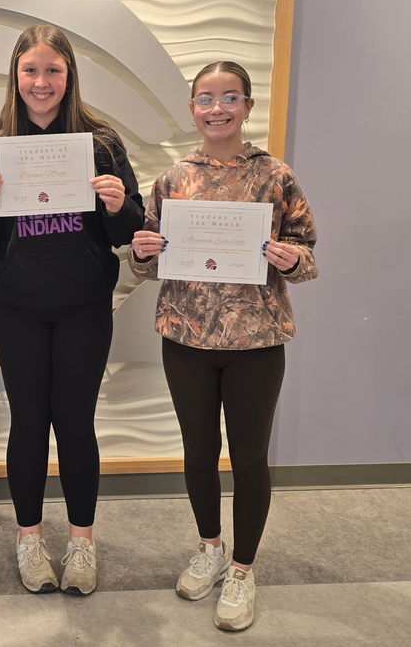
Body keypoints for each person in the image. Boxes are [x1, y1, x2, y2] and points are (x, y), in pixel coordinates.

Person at [129, 61, 317, 631]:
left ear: (247, 106)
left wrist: (293, 259)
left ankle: (242, 567)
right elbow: (147, 262)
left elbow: (307, 253)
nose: (217, 108)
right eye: (206, 99)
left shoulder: (275, 176)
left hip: (256, 340)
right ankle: (210, 546)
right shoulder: (171, 180)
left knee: (250, 456)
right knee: (197, 450)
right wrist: (140, 252)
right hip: (185, 336)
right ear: (192, 109)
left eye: (229, 97)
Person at [0, 25, 143, 596]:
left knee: (76, 424)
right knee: (28, 424)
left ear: (70, 76)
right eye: (31, 71)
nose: (42, 83)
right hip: (17, 307)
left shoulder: (102, 143)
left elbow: (129, 230)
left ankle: (82, 542)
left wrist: (118, 204)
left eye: (53, 71)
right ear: (15, 77)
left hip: (85, 307)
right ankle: (30, 538)